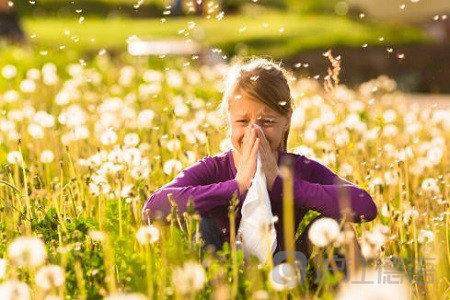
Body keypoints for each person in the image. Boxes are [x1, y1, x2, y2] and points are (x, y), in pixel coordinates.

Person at [142, 57, 377, 261]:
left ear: (286, 122)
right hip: (222, 271)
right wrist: (236, 187)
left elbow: (365, 206)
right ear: (229, 120)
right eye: (243, 122)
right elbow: (153, 209)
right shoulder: (213, 168)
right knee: (200, 222)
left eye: (266, 122)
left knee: (340, 228)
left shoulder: (299, 168)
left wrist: (282, 185)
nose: (254, 133)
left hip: (287, 269)